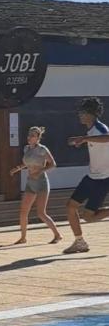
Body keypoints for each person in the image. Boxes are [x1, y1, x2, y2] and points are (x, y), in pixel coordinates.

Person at [63, 97, 109, 254]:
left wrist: (84, 139)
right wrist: (82, 140)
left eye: (82, 112)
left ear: (91, 114)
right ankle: (80, 242)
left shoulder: (100, 128)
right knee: (72, 207)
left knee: (88, 217)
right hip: (92, 177)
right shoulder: (91, 131)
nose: (80, 115)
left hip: (104, 180)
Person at [10, 126, 62, 244]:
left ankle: (57, 235)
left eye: (33, 135)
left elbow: (53, 164)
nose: (29, 137)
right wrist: (17, 168)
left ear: (38, 138)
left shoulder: (42, 149)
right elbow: (27, 163)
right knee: (23, 211)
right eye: (29, 135)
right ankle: (23, 237)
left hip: (41, 183)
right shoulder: (26, 149)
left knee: (41, 213)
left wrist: (40, 171)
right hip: (30, 182)